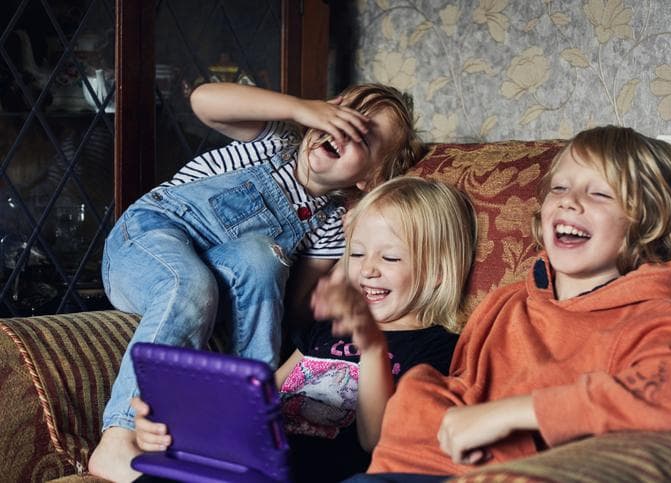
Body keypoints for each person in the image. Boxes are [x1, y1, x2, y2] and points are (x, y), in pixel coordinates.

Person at [88, 82, 425, 482]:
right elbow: (203, 100)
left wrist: (354, 244)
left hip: (216, 279)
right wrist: (300, 107)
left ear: (370, 177)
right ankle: (118, 438)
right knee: (191, 282)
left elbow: (296, 309)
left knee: (264, 260)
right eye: (342, 113)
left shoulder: (332, 223)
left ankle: (243, 428)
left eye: (363, 137)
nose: (342, 129)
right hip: (144, 241)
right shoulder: (274, 142)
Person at [347, 126, 671, 481]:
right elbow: (463, 390)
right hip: (403, 467)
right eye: (558, 188)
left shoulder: (646, 315)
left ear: (647, 221)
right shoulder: (506, 301)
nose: (569, 202)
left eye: (599, 194)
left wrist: (519, 413)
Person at [132, 177, 479, 483]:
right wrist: (181, 421)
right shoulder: (327, 329)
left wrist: (372, 347)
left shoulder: (439, 350)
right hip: (253, 464)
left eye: (390, 258)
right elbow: (263, 400)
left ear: (438, 271)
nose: (368, 270)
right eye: (356, 254)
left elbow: (378, 443)